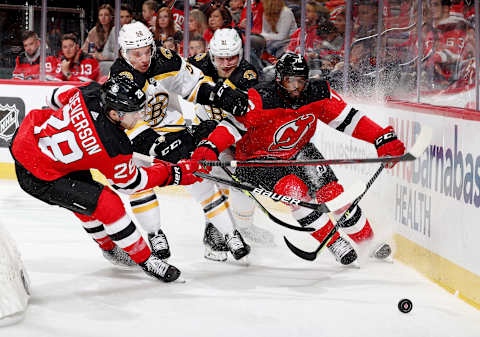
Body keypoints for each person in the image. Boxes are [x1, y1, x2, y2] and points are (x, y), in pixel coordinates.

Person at [191, 53, 406, 266]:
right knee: (294, 192)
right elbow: (231, 127)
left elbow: (348, 120)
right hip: (259, 160)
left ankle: (368, 241)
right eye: (289, 81)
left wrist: (380, 137)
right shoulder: (261, 97)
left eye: (300, 81)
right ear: (279, 79)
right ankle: (334, 242)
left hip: (299, 149)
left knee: (333, 194)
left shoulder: (319, 93)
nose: (296, 87)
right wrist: (210, 146)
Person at [9, 75, 201, 282]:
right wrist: (173, 174)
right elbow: (131, 183)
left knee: (86, 196)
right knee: (107, 203)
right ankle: (145, 260)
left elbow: (53, 97)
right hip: (39, 175)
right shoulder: (112, 144)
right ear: (114, 113)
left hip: (30, 139)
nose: (138, 117)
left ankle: (109, 248)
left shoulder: (90, 92)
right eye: (133, 112)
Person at [108, 22, 250, 262]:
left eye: (146, 51)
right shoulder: (121, 76)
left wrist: (220, 95)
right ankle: (155, 234)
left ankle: (230, 233)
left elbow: (193, 85)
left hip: (173, 129)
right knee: (138, 182)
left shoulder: (164, 58)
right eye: (136, 54)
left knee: (198, 176)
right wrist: (155, 144)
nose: (143, 58)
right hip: (140, 136)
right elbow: (127, 122)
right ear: (124, 52)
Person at [188, 28, 275, 253]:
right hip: (206, 130)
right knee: (216, 177)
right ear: (210, 54)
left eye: (232, 58)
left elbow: (242, 115)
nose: (226, 63)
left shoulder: (248, 74)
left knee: (243, 183)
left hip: (238, 133)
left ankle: (244, 227)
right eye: (220, 58)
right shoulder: (196, 63)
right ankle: (214, 228)